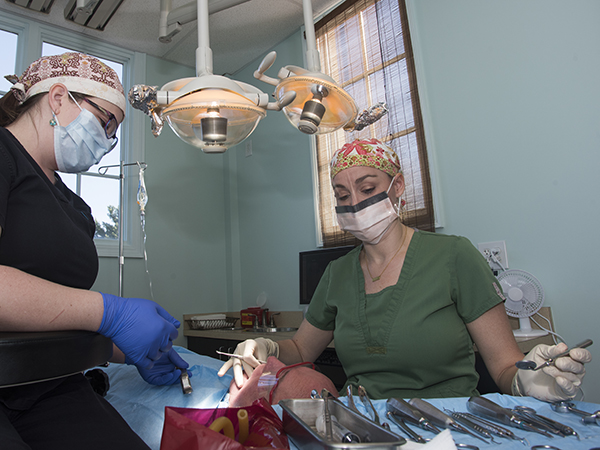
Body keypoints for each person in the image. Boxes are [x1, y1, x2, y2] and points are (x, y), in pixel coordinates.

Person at [219, 138, 592, 402]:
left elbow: (505, 368)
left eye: (368, 188)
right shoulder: (337, 274)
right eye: (343, 196)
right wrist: (264, 347)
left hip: (452, 423)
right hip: (363, 423)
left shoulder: (453, 256)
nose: (355, 204)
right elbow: (302, 348)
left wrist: (532, 381)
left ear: (397, 186)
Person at [0, 52, 188, 449]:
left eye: (113, 132)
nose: (106, 141)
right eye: (105, 122)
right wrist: (111, 312)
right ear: (58, 98)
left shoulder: (76, 208)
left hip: (46, 385)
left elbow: (57, 310)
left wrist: (128, 349)